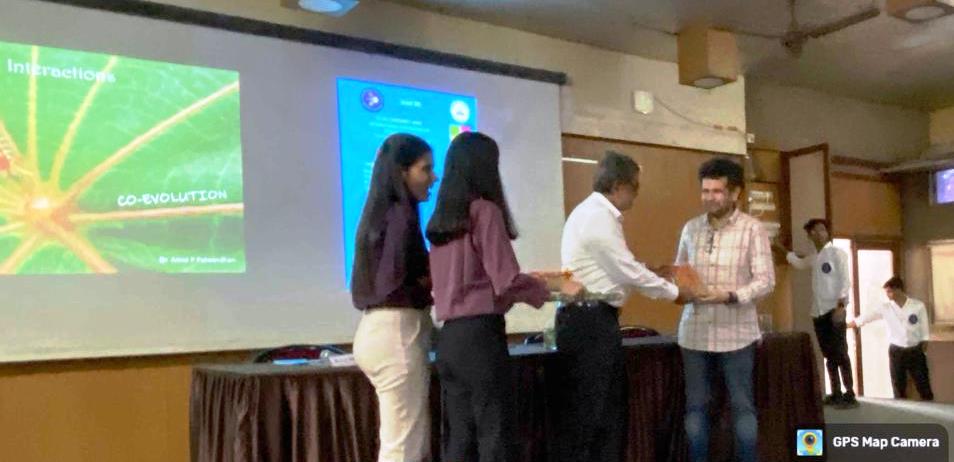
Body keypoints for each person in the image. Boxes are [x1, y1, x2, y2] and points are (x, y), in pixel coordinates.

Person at [426, 131, 582, 462]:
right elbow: (506, 281)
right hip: (480, 338)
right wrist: (553, 288)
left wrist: (530, 283)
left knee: (460, 437)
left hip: (449, 339)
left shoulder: (442, 222)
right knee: (494, 433)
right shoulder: (484, 211)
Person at [557, 151, 696, 462]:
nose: (637, 194)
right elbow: (625, 270)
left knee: (600, 411)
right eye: (635, 187)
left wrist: (651, 271)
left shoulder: (593, 213)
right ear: (619, 186)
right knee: (598, 415)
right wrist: (675, 292)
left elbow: (617, 266)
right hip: (590, 323)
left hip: (588, 320)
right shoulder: (598, 217)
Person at [675, 157, 775, 462]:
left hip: (737, 335)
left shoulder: (752, 229)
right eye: (705, 191)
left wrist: (730, 296)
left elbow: (766, 281)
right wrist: (679, 287)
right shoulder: (691, 228)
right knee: (695, 409)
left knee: (742, 408)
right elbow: (680, 272)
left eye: (717, 191)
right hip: (694, 333)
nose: (709, 198)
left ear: (735, 193)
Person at [351, 133, 438, 462]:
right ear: (402, 172)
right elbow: (394, 284)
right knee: (403, 448)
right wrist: (435, 279)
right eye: (425, 169)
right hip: (397, 336)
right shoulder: (402, 215)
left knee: (401, 442)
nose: (433, 177)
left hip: (376, 333)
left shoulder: (378, 214)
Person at [773, 218, 857, 407]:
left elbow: (845, 281)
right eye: (813, 231)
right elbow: (799, 263)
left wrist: (841, 307)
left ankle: (850, 393)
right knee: (828, 354)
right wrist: (780, 249)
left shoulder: (837, 253)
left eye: (821, 229)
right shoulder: (814, 257)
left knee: (841, 352)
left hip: (834, 310)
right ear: (809, 236)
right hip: (818, 312)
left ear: (827, 233)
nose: (817, 233)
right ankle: (836, 392)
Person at [848, 276, 933, 401]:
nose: (887, 295)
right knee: (898, 386)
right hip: (896, 350)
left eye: (889, 291)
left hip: (915, 349)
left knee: (923, 384)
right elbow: (866, 317)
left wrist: (923, 347)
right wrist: (847, 325)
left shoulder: (917, 306)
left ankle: (930, 408)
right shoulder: (886, 307)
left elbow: (924, 330)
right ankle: (901, 410)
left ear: (898, 289)